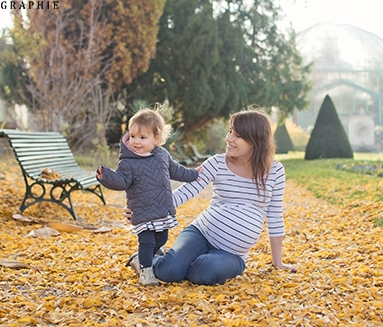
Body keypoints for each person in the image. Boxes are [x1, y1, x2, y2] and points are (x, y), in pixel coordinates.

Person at [125, 107, 297, 285]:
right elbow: (185, 191)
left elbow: (275, 216)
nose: (228, 138)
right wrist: (145, 209)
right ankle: (146, 260)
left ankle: (178, 259)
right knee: (169, 272)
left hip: (233, 254)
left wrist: (278, 262)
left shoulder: (275, 171)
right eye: (230, 131)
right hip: (200, 233)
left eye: (237, 135)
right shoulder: (217, 163)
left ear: (255, 140)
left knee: (204, 274)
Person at [96, 107, 200, 286]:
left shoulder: (162, 155)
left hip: (161, 210)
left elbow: (177, 171)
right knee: (147, 242)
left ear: (156, 139)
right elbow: (121, 181)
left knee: (161, 240)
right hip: (142, 211)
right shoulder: (128, 162)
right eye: (133, 136)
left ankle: (141, 259)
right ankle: (146, 272)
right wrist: (106, 176)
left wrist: (194, 174)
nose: (136, 141)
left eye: (143, 138)